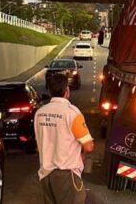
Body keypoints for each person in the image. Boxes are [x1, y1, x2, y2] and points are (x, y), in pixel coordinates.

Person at [34, 73, 94, 204]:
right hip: (67, 175)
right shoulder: (72, 113)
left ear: (49, 91)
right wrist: (82, 155)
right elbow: (88, 146)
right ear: (67, 90)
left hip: (45, 174)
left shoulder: (40, 113)